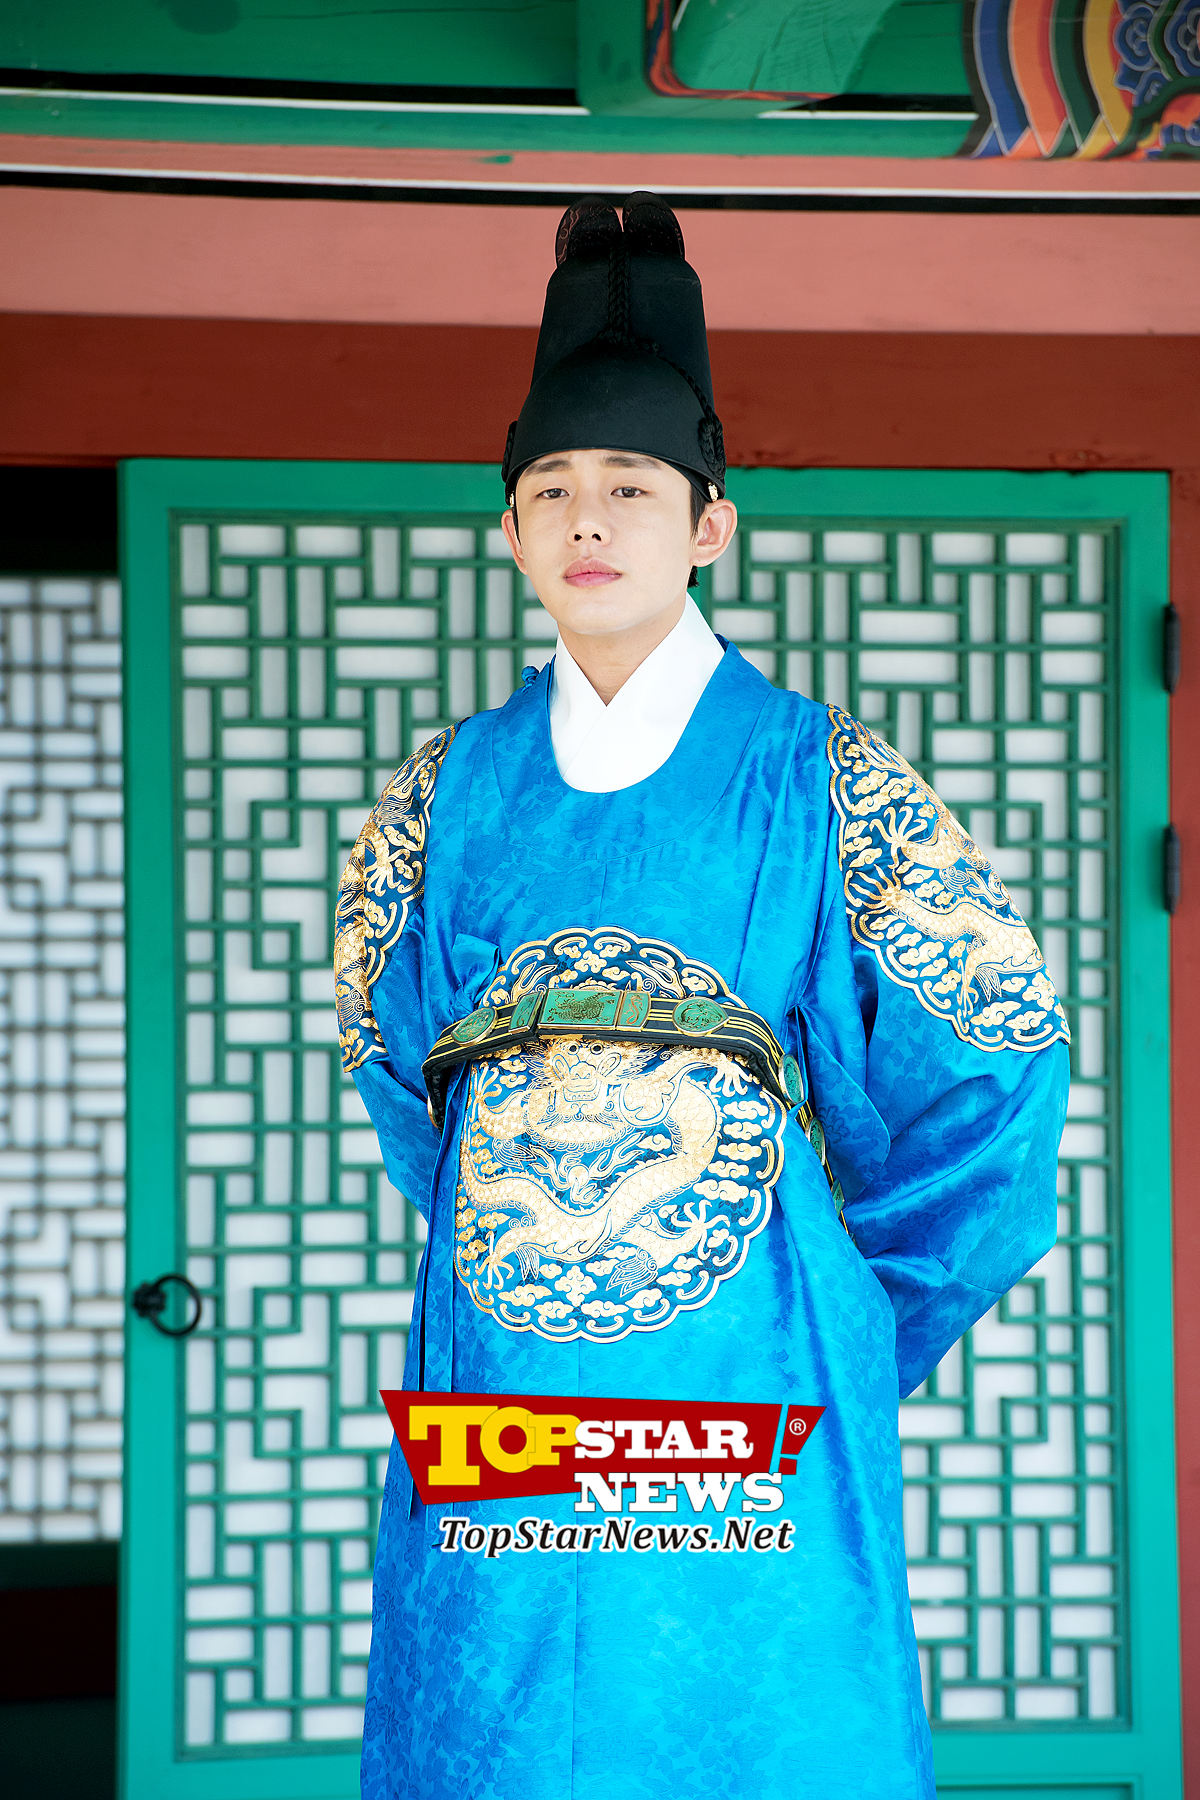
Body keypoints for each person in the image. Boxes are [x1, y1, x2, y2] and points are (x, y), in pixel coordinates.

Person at [335, 193, 1069, 1800]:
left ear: (710, 524)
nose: (588, 521)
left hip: (757, 1367)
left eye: (631, 486)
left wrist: (844, 1326)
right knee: (499, 1727)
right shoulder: (438, 800)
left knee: (753, 1729)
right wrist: (528, 1251)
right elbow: (402, 1082)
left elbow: (997, 1074)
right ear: (509, 531)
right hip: (508, 1371)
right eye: (551, 490)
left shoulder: (826, 779)